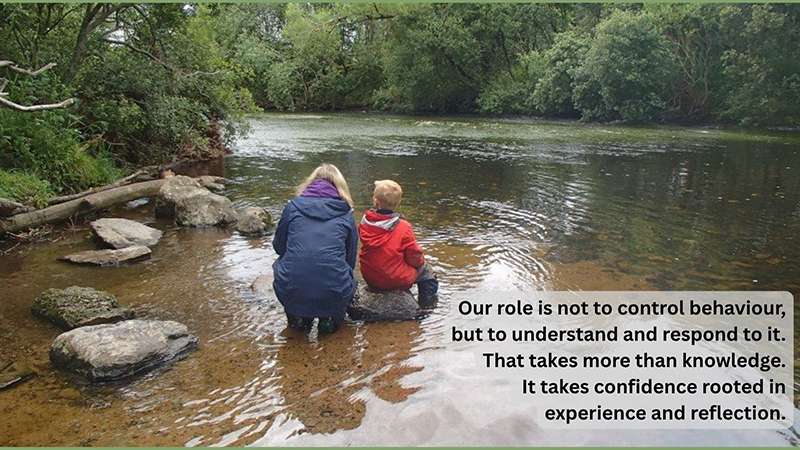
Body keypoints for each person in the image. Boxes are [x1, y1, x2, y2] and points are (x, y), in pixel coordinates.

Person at [272, 163, 358, 333]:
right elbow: (350, 259)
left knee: (285, 263)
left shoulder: (292, 207)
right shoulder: (346, 213)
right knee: (344, 274)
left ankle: (299, 319)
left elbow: (279, 247)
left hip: (292, 289)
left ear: (310, 183)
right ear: (340, 187)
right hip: (334, 289)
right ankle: (328, 319)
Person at [358, 180, 438, 308]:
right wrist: (420, 264)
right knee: (427, 272)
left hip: (370, 276)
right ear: (398, 203)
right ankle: (425, 308)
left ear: (375, 201)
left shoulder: (365, 222)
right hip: (395, 280)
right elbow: (414, 255)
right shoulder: (404, 227)